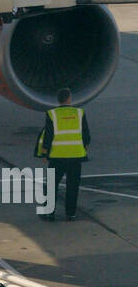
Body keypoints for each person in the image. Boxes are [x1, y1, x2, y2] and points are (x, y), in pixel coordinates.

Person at [40, 87, 90, 220]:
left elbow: (48, 136)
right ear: (69, 98)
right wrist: (84, 149)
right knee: (73, 186)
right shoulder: (79, 113)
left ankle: (49, 213)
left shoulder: (52, 114)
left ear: (59, 100)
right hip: (75, 157)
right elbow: (86, 136)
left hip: (57, 157)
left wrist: (45, 153)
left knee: (51, 186)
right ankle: (71, 214)